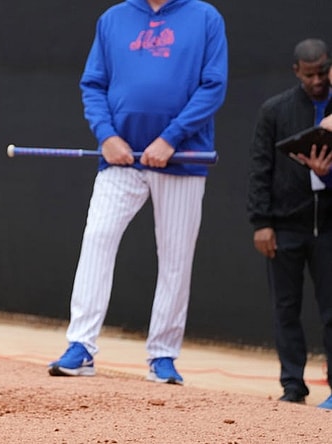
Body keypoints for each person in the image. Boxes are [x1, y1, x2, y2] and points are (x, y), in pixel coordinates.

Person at [48, 0, 228, 385]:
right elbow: (93, 84)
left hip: (182, 157)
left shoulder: (205, 17)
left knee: (176, 257)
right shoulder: (113, 19)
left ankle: (163, 353)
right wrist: (106, 135)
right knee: (97, 238)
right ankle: (80, 346)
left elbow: (213, 86)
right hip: (120, 158)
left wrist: (170, 139)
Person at [247, 38, 332, 409]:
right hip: (286, 225)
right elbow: (260, 169)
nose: (318, 80)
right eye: (310, 74)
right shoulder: (275, 110)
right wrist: (262, 222)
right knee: (286, 308)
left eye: (324, 72)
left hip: (329, 225)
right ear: (296, 71)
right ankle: (293, 384)